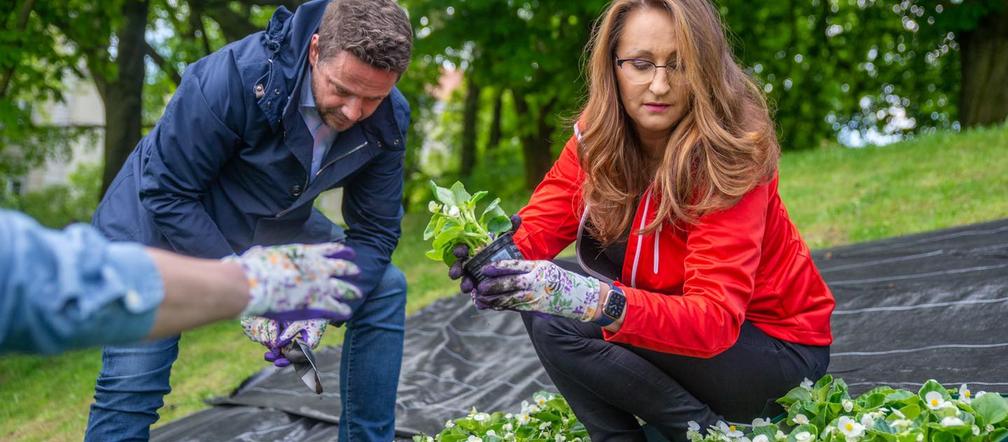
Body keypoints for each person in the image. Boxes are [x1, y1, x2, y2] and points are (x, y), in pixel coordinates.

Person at [451, 0, 835, 440]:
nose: (659, 85)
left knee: (558, 307)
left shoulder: (732, 154)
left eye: (680, 65)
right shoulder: (598, 136)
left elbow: (713, 320)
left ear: (707, 68)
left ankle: (705, 433)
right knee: (537, 301)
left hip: (771, 354)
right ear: (612, 66)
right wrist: (490, 257)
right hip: (681, 328)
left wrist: (596, 300)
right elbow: (539, 227)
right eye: (640, 64)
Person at [84, 0, 413, 440]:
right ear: (316, 50)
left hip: (271, 218)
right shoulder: (234, 78)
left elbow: (374, 233)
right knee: (133, 382)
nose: (354, 112)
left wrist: (320, 305)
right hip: (158, 225)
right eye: (342, 89)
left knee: (383, 286)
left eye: (372, 98)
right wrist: (249, 287)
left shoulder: (389, 117)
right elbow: (167, 191)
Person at [0, 209, 360, 354]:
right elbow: (53, 286)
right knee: (130, 386)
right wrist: (254, 284)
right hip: (144, 232)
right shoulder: (223, 89)